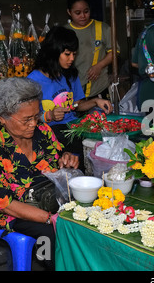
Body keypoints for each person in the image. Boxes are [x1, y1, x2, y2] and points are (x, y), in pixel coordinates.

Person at [0, 77, 79, 270]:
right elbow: (4, 204)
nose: (33, 124)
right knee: (53, 236)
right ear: (3, 118)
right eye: (26, 120)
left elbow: (58, 162)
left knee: (82, 223)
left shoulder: (43, 130)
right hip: (10, 213)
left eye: (36, 116)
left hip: (45, 198)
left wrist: (67, 159)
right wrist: (49, 218)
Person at [28, 26, 113, 173]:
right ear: (54, 52)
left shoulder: (69, 75)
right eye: (67, 54)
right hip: (50, 134)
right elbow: (26, 119)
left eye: (74, 54)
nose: (72, 59)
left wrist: (95, 101)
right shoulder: (33, 81)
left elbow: (77, 105)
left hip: (74, 129)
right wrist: (50, 115)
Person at [65, 0, 118, 100]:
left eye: (86, 11)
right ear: (69, 12)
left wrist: (99, 66)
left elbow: (114, 52)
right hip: (72, 92)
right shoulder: (64, 31)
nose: (83, 16)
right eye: (78, 13)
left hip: (99, 89)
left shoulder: (102, 28)